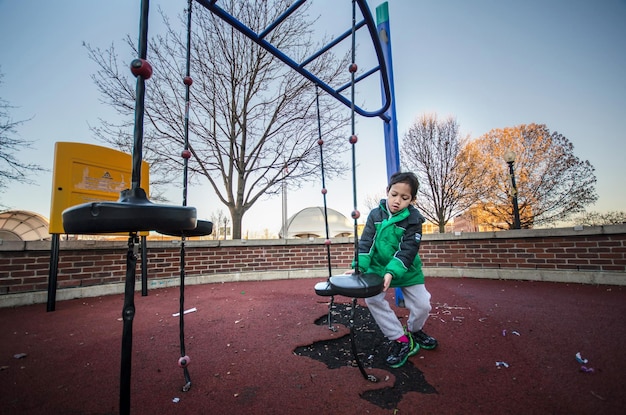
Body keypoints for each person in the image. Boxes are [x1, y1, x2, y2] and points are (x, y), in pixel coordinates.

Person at [353, 171, 437, 368]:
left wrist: (392, 272)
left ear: (412, 199)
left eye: (404, 197)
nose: (397, 201)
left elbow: (407, 250)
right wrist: (359, 267)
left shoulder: (414, 220)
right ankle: (400, 339)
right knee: (372, 299)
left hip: (406, 269)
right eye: (394, 194)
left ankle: (414, 330)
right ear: (387, 191)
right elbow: (366, 244)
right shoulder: (375, 214)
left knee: (423, 304)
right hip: (377, 267)